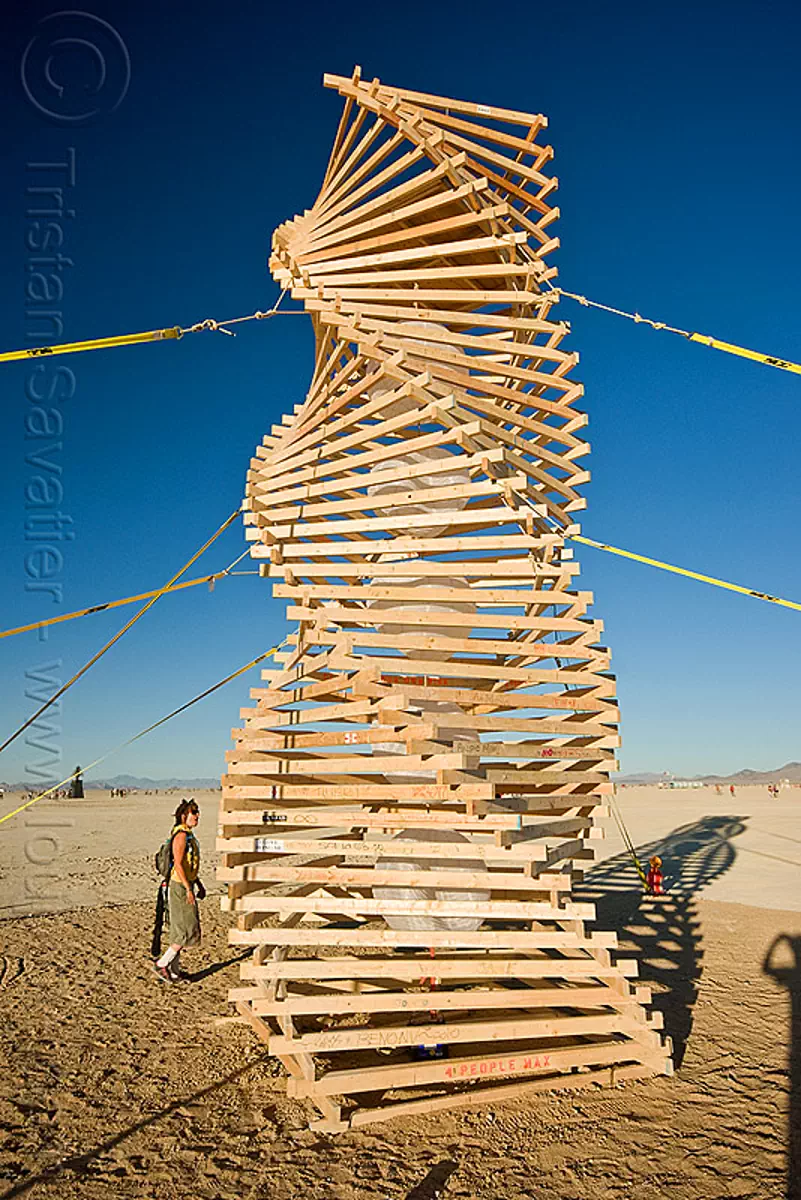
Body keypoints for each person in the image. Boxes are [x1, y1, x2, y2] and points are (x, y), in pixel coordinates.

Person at [153, 799, 206, 982]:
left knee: (180, 930)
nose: (197, 816)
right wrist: (188, 889)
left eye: (197, 812)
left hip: (185, 883)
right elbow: (178, 864)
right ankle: (162, 964)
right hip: (179, 886)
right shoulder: (181, 836)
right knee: (185, 929)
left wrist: (198, 884)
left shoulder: (188, 835)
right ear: (184, 816)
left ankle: (174, 972)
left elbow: (188, 865)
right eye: (194, 812)